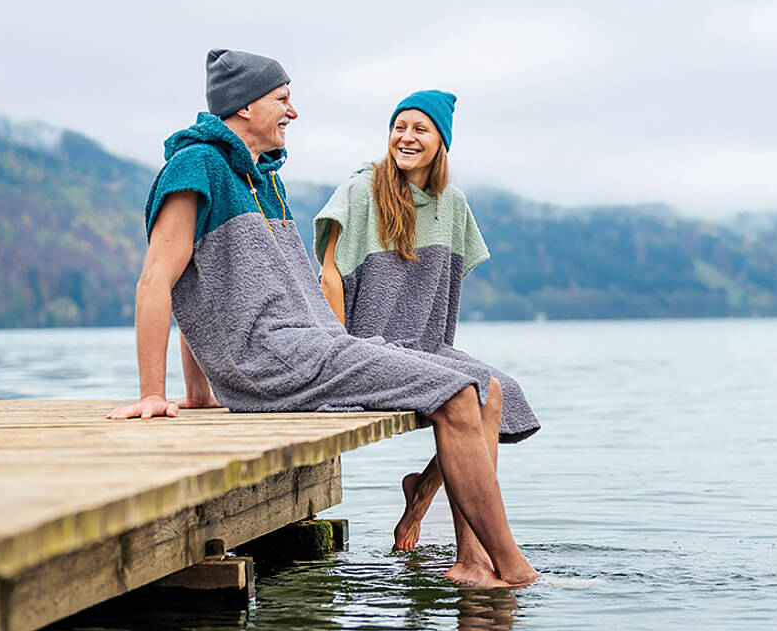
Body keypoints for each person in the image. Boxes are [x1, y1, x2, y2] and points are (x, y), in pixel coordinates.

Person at [106, 49, 537, 588]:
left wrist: (199, 392)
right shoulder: (196, 167)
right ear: (244, 107)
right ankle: (514, 571)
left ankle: (475, 562)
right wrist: (153, 392)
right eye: (283, 99)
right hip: (279, 360)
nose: (293, 111)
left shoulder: (260, 178)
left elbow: (205, 288)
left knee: (474, 385)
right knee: (454, 393)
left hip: (308, 349)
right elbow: (158, 280)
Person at [314, 90, 539, 552]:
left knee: (499, 390)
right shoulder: (360, 191)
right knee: (468, 393)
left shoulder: (450, 203)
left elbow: (446, 282)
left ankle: (422, 501)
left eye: (420, 129)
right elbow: (329, 275)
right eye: (400, 127)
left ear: (441, 142)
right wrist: (335, 347)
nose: (406, 137)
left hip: (424, 344)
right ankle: (473, 555)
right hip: (366, 344)